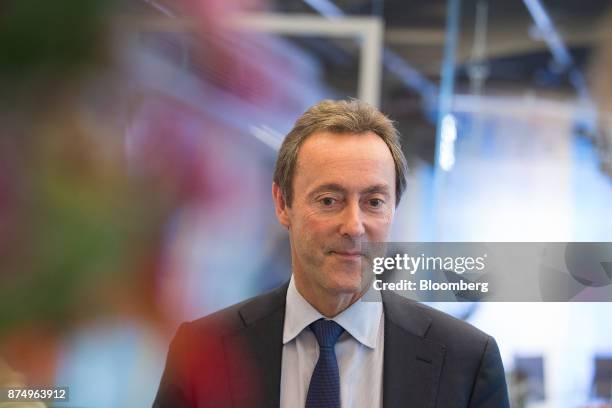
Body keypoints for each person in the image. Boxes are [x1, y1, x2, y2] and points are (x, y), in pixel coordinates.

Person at [153, 99, 510, 408]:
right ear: (282, 203)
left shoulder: (466, 362)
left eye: (373, 202)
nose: (354, 226)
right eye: (329, 200)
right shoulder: (204, 349)